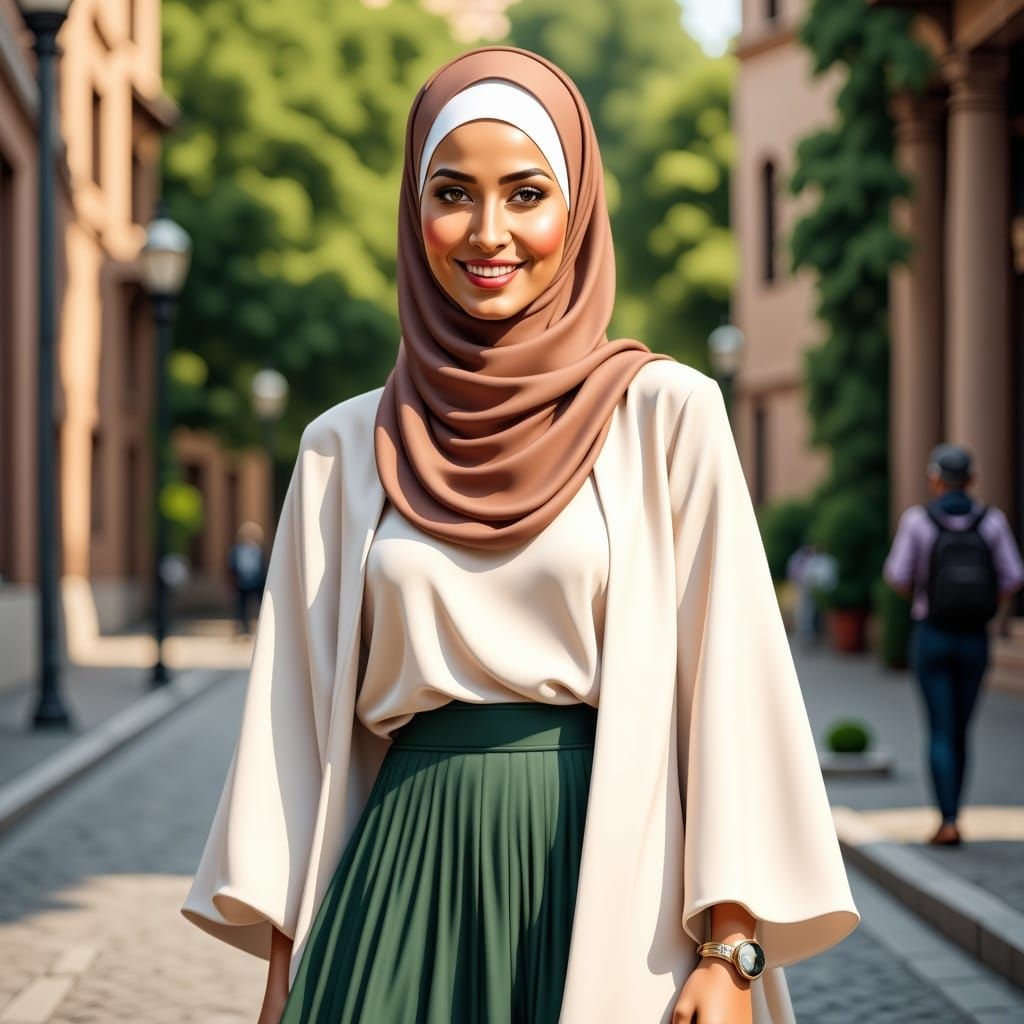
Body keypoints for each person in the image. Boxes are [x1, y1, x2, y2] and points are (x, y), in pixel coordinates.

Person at [181, 47, 859, 1024]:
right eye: (451, 192)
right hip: (396, 889)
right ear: (414, 218)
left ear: (576, 207)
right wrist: (285, 967)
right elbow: (294, 728)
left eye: (526, 193)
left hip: (612, 884)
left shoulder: (666, 413)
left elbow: (731, 690)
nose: (487, 232)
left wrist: (730, 951)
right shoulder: (343, 446)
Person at [883, 443, 1024, 846]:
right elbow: (1012, 577)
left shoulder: (918, 522)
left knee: (940, 728)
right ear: (972, 479)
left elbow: (896, 574)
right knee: (962, 727)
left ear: (935, 479)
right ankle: (956, 811)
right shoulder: (991, 522)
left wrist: (926, 595)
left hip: (931, 633)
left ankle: (947, 820)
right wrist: (982, 606)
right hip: (974, 637)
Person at [227, 522, 266, 636]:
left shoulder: (259, 551)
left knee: (261, 606)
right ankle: (244, 629)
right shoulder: (236, 551)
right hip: (241, 583)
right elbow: (231, 568)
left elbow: (263, 566)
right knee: (241, 608)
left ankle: (262, 628)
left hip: (256, 583)